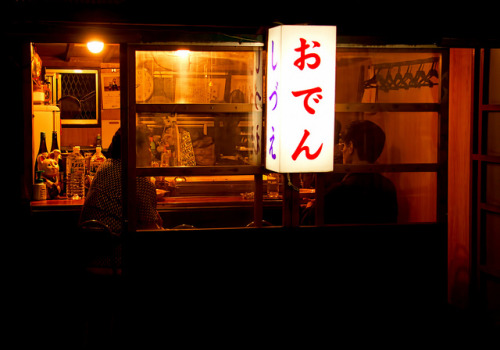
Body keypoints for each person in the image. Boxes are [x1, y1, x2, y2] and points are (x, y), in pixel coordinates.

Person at [80, 126, 163, 233]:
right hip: (117, 245)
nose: (150, 153)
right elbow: (150, 231)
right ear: (135, 150)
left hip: (91, 242)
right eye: (147, 147)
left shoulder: (105, 167)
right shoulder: (138, 180)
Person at [324, 119, 398, 224]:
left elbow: (310, 220)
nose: (342, 151)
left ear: (351, 147)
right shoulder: (388, 187)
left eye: (344, 145)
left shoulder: (340, 191)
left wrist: (312, 206)